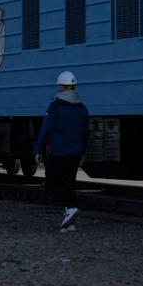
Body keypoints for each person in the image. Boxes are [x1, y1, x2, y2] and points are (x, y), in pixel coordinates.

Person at [34, 71, 89, 232]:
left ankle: (70, 210)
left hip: (58, 152)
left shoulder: (55, 106)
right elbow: (85, 133)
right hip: (75, 153)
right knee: (69, 184)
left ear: (62, 86)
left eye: (59, 85)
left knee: (51, 184)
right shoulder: (82, 108)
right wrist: (83, 153)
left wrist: (39, 150)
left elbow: (45, 129)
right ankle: (70, 222)